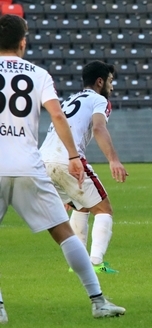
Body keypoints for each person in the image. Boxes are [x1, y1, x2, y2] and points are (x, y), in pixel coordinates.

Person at [0, 14, 125, 322]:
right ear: (23, 42)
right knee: (64, 232)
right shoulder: (39, 73)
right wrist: (73, 155)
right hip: (30, 165)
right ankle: (98, 302)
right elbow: (56, 115)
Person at [40, 61, 127, 274]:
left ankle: (77, 266)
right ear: (100, 82)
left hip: (42, 160)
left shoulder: (69, 99)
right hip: (66, 159)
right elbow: (98, 127)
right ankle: (96, 263)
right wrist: (113, 159)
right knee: (104, 209)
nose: (112, 87)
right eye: (110, 81)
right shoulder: (99, 100)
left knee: (81, 206)